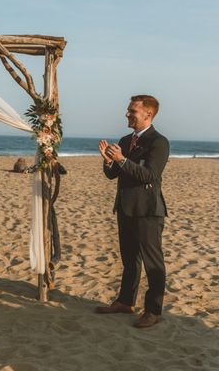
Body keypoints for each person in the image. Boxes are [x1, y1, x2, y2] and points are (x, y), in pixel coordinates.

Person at [97, 94, 169, 328]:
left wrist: (121, 159)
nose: (127, 114)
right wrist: (109, 161)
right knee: (129, 259)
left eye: (132, 111)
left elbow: (149, 175)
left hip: (148, 210)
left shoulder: (159, 142)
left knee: (153, 263)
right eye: (128, 110)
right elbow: (112, 175)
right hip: (125, 207)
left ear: (148, 114)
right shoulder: (125, 139)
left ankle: (152, 310)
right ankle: (125, 302)